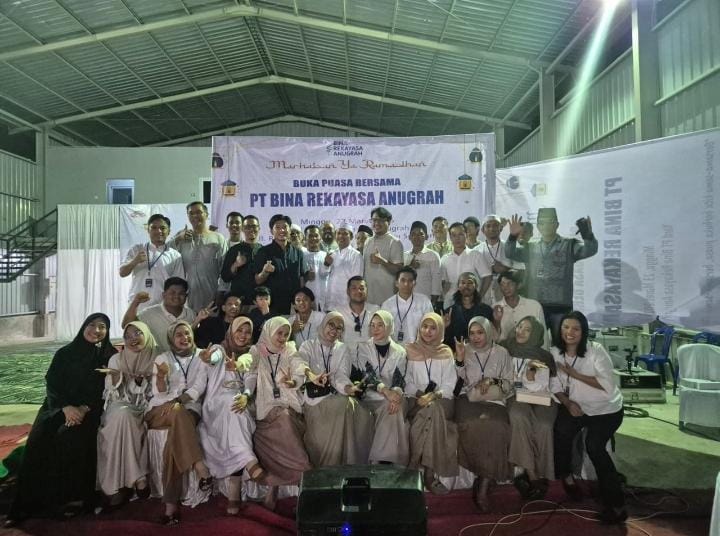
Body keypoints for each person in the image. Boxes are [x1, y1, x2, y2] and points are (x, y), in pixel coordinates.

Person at [6, 314, 117, 526]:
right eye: (92, 325)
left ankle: (71, 500)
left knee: (72, 438)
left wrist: (82, 409)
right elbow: (52, 383)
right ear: (83, 327)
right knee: (39, 440)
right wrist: (66, 408)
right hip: (57, 406)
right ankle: (24, 506)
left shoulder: (107, 356)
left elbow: (104, 389)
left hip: (89, 410)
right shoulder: (65, 353)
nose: (96, 330)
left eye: (102, 326)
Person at [551, 311, 626, 524]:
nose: (570, 332)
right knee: (561, 432)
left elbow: (607, 384)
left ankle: (616, 504)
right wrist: (568, 403)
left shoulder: (596, 351)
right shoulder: (555, 352)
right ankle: (567, 478)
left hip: (606, 410)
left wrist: (575, 375)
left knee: (594, 446)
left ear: (583, 332)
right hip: (577, 407)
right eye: (566, 327)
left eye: (576, 328)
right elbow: (554, 385)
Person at [247, 317, 322, 510]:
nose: (282, 338)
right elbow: (247, 364)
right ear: (269, 332)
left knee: (285, 421)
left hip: (289, 408)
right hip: (265, 411)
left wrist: (304, 377)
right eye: (279, 333)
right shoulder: (257, 350)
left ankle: (300, 481)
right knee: (273, 430)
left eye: (286, 334)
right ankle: (298, 480)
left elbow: (299, 365)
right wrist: (239, 365)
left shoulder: (290, 349)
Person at [144, 321, 211, 526]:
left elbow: (199, 387)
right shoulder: (162, 358)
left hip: (188, 408)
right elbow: (158, 393)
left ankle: (170, 506)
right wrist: (161, 378)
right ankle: (200, 466)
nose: (184, 338)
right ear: (171, 339)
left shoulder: (201, 356)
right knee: (176, 412)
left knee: (175, 433)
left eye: (187, 333)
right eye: (179, 335)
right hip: (160, 410)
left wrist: (178, 401)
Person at [197, 317, 266, 515]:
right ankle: (249, 462)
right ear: (231, 331)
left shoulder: (251, 354)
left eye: (247, 332)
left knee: (236, 411)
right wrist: (208, 358)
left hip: (241, 401)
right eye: (239, 331)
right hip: (216, 403)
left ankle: (235, 492)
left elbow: (251, 379)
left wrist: (246, 396)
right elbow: (214, 358)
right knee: (234, 408)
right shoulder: (220, 349)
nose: (243, 335)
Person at [505, 209, 598, 341]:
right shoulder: (530, 247)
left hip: (560, 306)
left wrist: (587, 234)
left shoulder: (568, 245)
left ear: (557, 225)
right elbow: (510, 253)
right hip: (536, 305)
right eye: (542, 223)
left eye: (550, 222)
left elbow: (590, 250)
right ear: (538, 226)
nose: (546, 226)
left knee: (561, 343)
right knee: (533, 342)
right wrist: (512, 236)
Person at [454, 316, 514, 512]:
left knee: (498, 427)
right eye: (472, 333)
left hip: (495, 401)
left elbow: (509, 383)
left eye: (480, 332)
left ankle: (484, 482)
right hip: (468, 399)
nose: (476, 337)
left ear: (488, 332)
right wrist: (459, 360)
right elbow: (456, 384)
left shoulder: (502, 352)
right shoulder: (464, 349)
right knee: (471, 425)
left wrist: (491, 381)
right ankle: (483, 474)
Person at [97, 321, 157, 507]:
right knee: (121, 416)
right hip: (120, 403)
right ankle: (137, 479)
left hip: (146, 406)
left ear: (147, 334)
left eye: (138, 333)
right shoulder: (116, 359)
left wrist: (140, 382)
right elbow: (111, 393)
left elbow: (158, 391)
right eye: (128, 336)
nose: (133, 339)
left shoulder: (157, 358)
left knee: (127, 417)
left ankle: (124, 484)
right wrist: (117, 377)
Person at [300, 313, 371, 466]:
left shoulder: (342, 348)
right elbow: (301, 366)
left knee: (358, 410)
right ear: (323, 324)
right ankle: (330, 464)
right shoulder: (308, 345)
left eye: (339, 328)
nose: (334, 330)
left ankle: (347, 463)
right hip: (314, 399)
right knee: (342, 404)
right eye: (331, 324)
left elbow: (340, 374)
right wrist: (312, 375)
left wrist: (348, 388)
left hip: (336, 394)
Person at [500, 316, 557, 500]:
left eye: (527, 330)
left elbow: (545, 385)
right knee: (518, 416)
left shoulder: (544, 356)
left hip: (541, 396)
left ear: (535, 334)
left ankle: (542, 471)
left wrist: (531, 373)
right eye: (519, 326)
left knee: (544, 425)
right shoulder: (505, 348)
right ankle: (532, 473)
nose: (520, 332)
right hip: (515, 395)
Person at [404, 313, 458, 495]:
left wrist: (433, 395)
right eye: (424, 326)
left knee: (432, 408)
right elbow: (407, 381)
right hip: (417, 398)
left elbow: (450, 384)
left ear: (440, 330)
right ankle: (429, 474)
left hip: (442, 400)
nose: (428, 331)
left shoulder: (446, 352)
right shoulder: (410, 350)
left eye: (433, 328)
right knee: (429, 410)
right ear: (419, 328)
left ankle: (415, 465)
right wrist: (421, 394)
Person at [354, 310, 409, 465]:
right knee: (388, 405)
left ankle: (380, 461)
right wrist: (386, 392)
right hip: (371, 394)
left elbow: (399, 378)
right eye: (372, 325)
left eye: (380, 325)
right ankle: (386, 462)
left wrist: (395, 395)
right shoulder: (363, 347)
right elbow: (368, 374)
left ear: (389, 327)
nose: (375, 329)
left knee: (393, 406)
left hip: (393, 394)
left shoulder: (400, 351)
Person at [170, 202, 227, 313]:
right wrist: (178, 238)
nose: (195, 216)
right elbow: (164, 253)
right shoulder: (181, 237)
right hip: (187, 296)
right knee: (189, 322)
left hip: (212, 294)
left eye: (199, 212)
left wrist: (221, 291)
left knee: (211, 322)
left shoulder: (218, 238)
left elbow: (225, 268)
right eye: (191, 213)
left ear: (206, 214)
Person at [119, 213, 184, 311]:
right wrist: (135, 261)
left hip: (163, 309)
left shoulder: (175, 256)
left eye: (162, 228)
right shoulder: (137, 249)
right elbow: (122, 273)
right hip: (137, 306)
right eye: (154, 228)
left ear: (169, 231)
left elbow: (179, 285)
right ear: (148, 230)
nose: (158, 231)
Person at [123, 276, 195, 353]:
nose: (176, 296)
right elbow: (126, 325)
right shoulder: (149, 313)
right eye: (172, 293)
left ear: (186, 296)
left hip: (185, 359)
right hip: (157, 359)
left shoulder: (191, 314)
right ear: (163, 295)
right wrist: (136, 302)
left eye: (181, 293)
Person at [254, 214, 305, 315]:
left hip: (294, 306)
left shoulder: (298, 253)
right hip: (272, 306)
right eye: (277, 227)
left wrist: (301, 300)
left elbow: (301, 279)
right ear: (271, 231)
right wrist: (265, 272)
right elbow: (257, 280)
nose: (282, 230)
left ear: (289, 229)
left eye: (285, 227)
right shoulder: (263, 251)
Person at [440, 222, 492, 310]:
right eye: (454, 235)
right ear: (450, 237)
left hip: (473, 302)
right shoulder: (445, 259)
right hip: (451, 302)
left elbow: (487, 276)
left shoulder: (475, 255)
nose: (457, 238)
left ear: (466, 235)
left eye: (460, 234)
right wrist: (445, 295)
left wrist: (479, 296)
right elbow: (443, 282)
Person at [476, 214, 524, 304]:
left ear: (501, 228)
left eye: (495, 225)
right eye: (488, 226)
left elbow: (522, 270)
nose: (492, 229)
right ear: (482, 230)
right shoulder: (476, 251)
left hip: (506, 294)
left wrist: (506, 269)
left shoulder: (510, 247)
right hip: (483, 294)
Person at [380, 266, 433, 344]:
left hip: (420, 346)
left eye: (410, 281)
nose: (406, 284)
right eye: (403, 280)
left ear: (415, 283)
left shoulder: (424, 301)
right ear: (396, 283)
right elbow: (383, 331)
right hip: (395, 348)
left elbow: (431, 325)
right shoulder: (387, 305)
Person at [443, 272, 498, 346]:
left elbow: (494, 336)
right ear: (458, 286)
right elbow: (444, 340)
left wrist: (497, 321)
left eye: (470, 282)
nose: (466, 286)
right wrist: (444, 327)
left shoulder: (486, 310)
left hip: (480, 350)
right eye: (463, 283)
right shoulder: (449, 312)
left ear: (476, 286)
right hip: (455, 350)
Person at [363, 207, 404, 306]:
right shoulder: (368, 241)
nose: (376, 223)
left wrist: (382, 261)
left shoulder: (395, 242)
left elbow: (399, 270)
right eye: (374, 220)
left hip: (387, 298)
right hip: (368, 297)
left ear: (388, 222)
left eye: (381, 220)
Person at [494, 271, 546, 345]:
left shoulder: (534, 306)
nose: (505, 288)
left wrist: (543, 352)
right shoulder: (494, 308)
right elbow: (491, 338)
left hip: (530, 350)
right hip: (503, 350)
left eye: (510, 283)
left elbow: (543, 336)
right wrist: (497, 322)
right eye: (502, 284)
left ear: (519, 285)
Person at [321, 222, 364, 311]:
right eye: (339, 233)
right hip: (331, 301)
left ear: (351, 237)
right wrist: (326, 264)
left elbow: (357, 281)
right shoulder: (332, 254)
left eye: (345, 234)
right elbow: (322, 275)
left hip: (346, 302)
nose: (341, 236)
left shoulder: (356, 255)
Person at [220, 214, 262, 306]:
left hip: (259, 301)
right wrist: (235, 265)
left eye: (254, 226)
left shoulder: (264, 250)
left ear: (259, 228)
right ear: (242, 229)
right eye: (247, 227)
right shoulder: (234, 250)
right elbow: (225, 277)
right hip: (238, 301)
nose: (251, 229)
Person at [338, 276, 380, 362]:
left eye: (362, 288)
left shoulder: (376, 311)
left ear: (366, 291)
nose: (358, 291)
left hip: (372, 360)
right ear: (348, 291)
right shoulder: (338, 313)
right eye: (354, 288)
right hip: (345, 360)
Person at [404, 221, 441, 305]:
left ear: (427, 237)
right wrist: (410, 267)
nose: (416, 237)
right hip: (406, 300)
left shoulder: (433, 255)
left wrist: (433, 303)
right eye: (413, 234)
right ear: (409, 237)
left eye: (420, 234)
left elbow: (436, 281)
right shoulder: (404, 256)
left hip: (425, 301)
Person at [303, 225, 328, 311]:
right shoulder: (301, 256)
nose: (313, 238)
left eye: (316, 236)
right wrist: (306, 277)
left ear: (320, 238)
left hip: (325, 299)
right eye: (310, 236)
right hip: (306, 300)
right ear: (305, 238)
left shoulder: (326, 256)